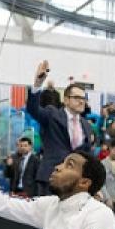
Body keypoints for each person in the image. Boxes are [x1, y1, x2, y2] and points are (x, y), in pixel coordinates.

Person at [25, 61, 93, 196]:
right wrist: (38, 84)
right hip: (51, 179)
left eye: (83, 98)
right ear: (66, 100)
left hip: (74, 185)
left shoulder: (86, 125)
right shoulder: (52, 114)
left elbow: (87, 158)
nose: (81, 101)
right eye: (77, 97)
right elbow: (33, 109)